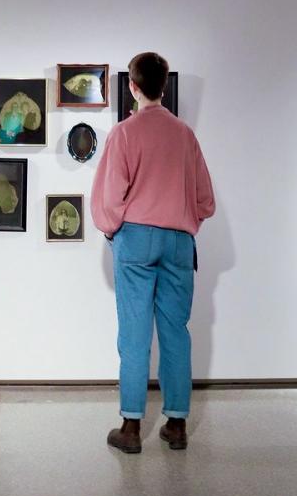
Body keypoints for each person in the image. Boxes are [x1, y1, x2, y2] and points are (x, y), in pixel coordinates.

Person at [91, 52, 215, 454]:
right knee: (176, 331)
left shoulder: (124, 133)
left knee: (135, 332)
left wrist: (114, 229)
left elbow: (110, 197)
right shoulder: (185, 135)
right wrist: (181, 219)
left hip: (137, 238)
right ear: (164, 85)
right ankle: (176, 424)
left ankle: (131, 427)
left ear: (133, 86)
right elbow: (205, 201)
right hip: (179, 241)